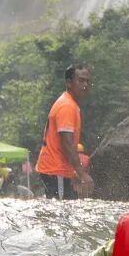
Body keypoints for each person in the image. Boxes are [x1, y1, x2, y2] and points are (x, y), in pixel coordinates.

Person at [35, 63, 92, 199]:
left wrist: (74, 172)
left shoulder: (69, 103)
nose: (85, 85)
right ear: (69, 82)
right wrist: (81, 173)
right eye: (80, 80)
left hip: (58, 170)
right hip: (56, 169)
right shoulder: (66, 106)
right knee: (60, 213)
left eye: (87, 81)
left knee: (63, 211)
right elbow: (67, 144)